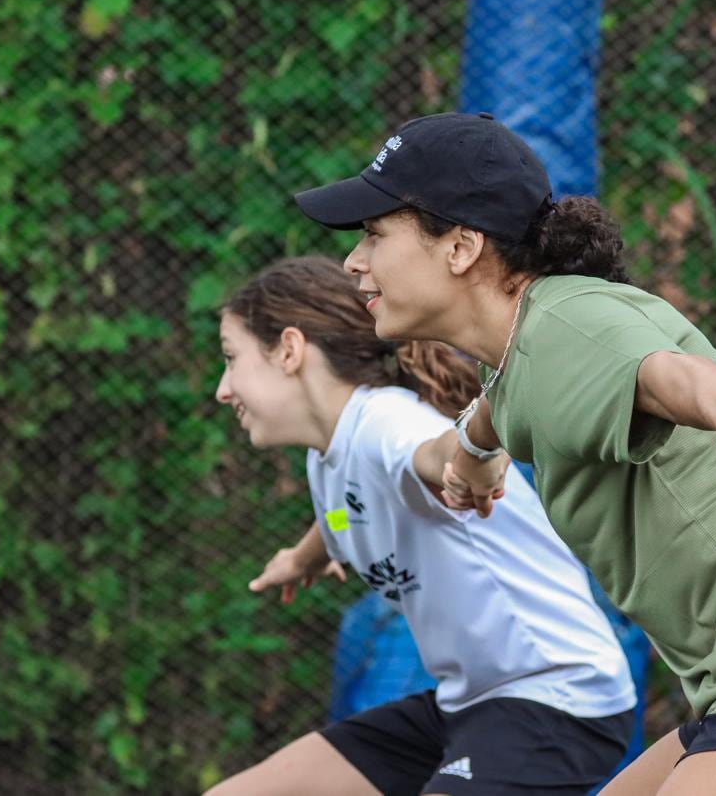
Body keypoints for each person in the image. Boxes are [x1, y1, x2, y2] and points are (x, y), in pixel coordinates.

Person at [292, 111, 716, 796]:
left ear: (461, 248)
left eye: (376, 234)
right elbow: (510, 404)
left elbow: (664, 376)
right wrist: (475, 450)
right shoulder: (526, 346)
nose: (355, 261)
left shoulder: (566, 326)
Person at [206, 255, 637, 796]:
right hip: (466, 704)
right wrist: (304, 557)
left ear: (289, 350)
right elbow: (341, 514)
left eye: (231, 359)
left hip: (556, 698)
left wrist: (471, 458)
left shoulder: (385, 421)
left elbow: (432, 454)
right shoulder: (329, 455)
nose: (223, 389)